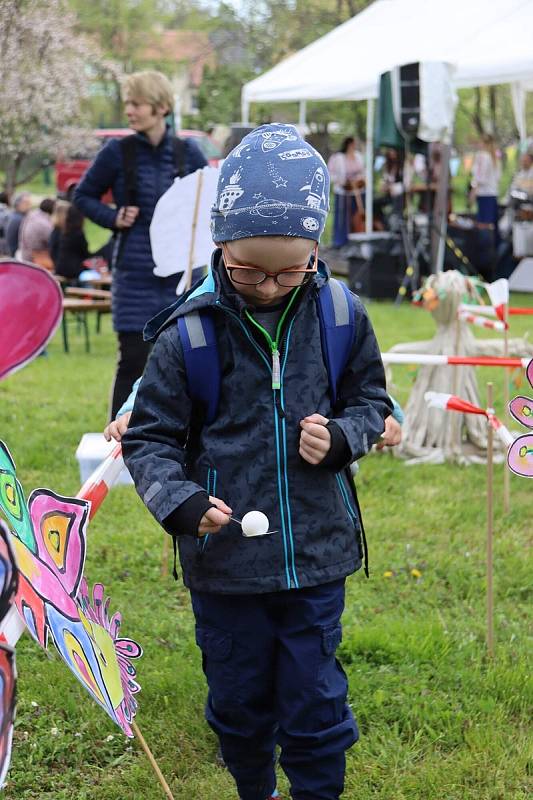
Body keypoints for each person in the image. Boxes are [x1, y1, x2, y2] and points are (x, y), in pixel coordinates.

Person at [120, 123, 393, 800]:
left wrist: (340, 437)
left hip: (316, 554)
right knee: (239, 698)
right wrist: (178, 502)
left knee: (314, 697)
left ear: (314, 249)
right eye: (248, 268)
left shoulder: (339, 312)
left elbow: (372, 402)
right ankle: (252, 786)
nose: (269, 285)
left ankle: (315, 790)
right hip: (225, 566)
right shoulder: (186, 334)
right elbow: (148, 437)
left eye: (287, 268)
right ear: (221, 244)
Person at [74, 70, 207, 420]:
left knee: (188, 356)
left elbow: (209, 197)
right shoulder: (117, 152)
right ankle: (117, 442)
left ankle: (182, 435)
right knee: (133, 358)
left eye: (137, 103)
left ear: (161, 107)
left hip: (180, 274)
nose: (129, 110)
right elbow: (83, 195)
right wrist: (113, 216)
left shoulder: (188, 152)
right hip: (134, 274)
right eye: (127, 103)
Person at [327, 137, 365, 247]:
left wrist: (358, 180)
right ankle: (339, 241)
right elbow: (331, 173)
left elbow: (362, 171)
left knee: (355, 216)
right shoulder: (337, 157)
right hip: (343, 191)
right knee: (342, 217)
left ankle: (353, 240)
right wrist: (340, 181)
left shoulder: (358, 156)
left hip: (356, 191)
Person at [49, 202, 96, 281]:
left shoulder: (63, 232)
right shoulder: (77, 234)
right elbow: (85, 253)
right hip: (74, 270)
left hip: (60, 267)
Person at [470, 134, 502, 249]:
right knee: (492, 225)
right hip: (492, 193)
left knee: (483, 225)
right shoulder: (495, 157)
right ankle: (494, 251)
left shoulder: (483, 156)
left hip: (484, 194)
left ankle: (484, 253)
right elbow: (498, 177)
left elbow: (480, 177)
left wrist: (473, 191)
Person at [19, 197, 55, 267]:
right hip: (33, 260)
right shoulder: (44, 224)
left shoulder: (32, 215)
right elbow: (54, 242)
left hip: (24, 254)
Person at [6, 192, 32, 257]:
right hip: (16, 255)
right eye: (26, 203)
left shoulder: (17, 216)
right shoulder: (18, 219)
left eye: (29, 203)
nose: (29, 205)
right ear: (18, 204)